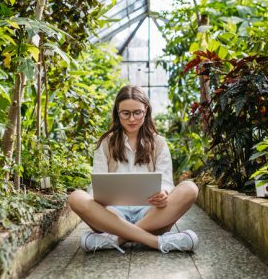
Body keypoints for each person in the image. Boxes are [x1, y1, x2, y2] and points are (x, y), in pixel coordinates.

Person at [68, 85, 199, 254]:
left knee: (190, 188)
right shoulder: (106, 143)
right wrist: (100, 200)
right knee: (76, 197)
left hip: (151, 215)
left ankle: (117, 239)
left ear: (146, 110)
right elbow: (96, 186)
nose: (132, 119)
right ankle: (156, 242)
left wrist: (164, 193)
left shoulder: (158, 142)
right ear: (117, 112)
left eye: (137, 113)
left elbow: (166, 182)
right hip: (112, 215)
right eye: (126, 113)